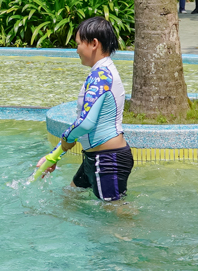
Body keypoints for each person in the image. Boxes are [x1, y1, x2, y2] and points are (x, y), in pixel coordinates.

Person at [35, 17, 132, 202]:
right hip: (94, 158)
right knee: (69, 199)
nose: (77, 50)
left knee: (117, 218)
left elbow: (86, 123)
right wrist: (54, 156)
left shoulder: (101, 75)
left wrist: (63, 144)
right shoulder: (102, 71)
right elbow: (81, 123)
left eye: (78, 44)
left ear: (94, 43)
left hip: (107, 161)